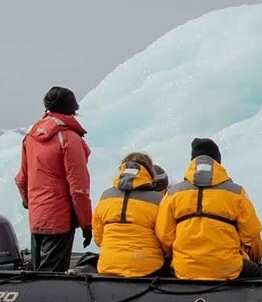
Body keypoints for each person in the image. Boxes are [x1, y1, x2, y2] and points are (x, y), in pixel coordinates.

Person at [156, 137, 262, 280]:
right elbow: (252, 233)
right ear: (218, 162)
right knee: (256, 271)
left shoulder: (173, 193)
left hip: (185, 269)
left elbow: (164, 234)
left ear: (193, 161)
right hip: (227, 269)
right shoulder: (237, 193)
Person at [14, 86, 92, 272]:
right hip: (59, 219)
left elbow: (21, 179)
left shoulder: (30, 138)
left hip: (37, 216)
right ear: (73, 108)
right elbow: (78, 188)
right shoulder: (69, 139)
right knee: (51, 277)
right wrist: (86, 223)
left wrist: (30, 203)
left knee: (38, 273)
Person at [92, 153, 169, 278]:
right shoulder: (158, 200)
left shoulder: (105, 196)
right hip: (147, 268)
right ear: (149, 172)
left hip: (108, 265)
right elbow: (165, 238)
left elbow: (98, 238)